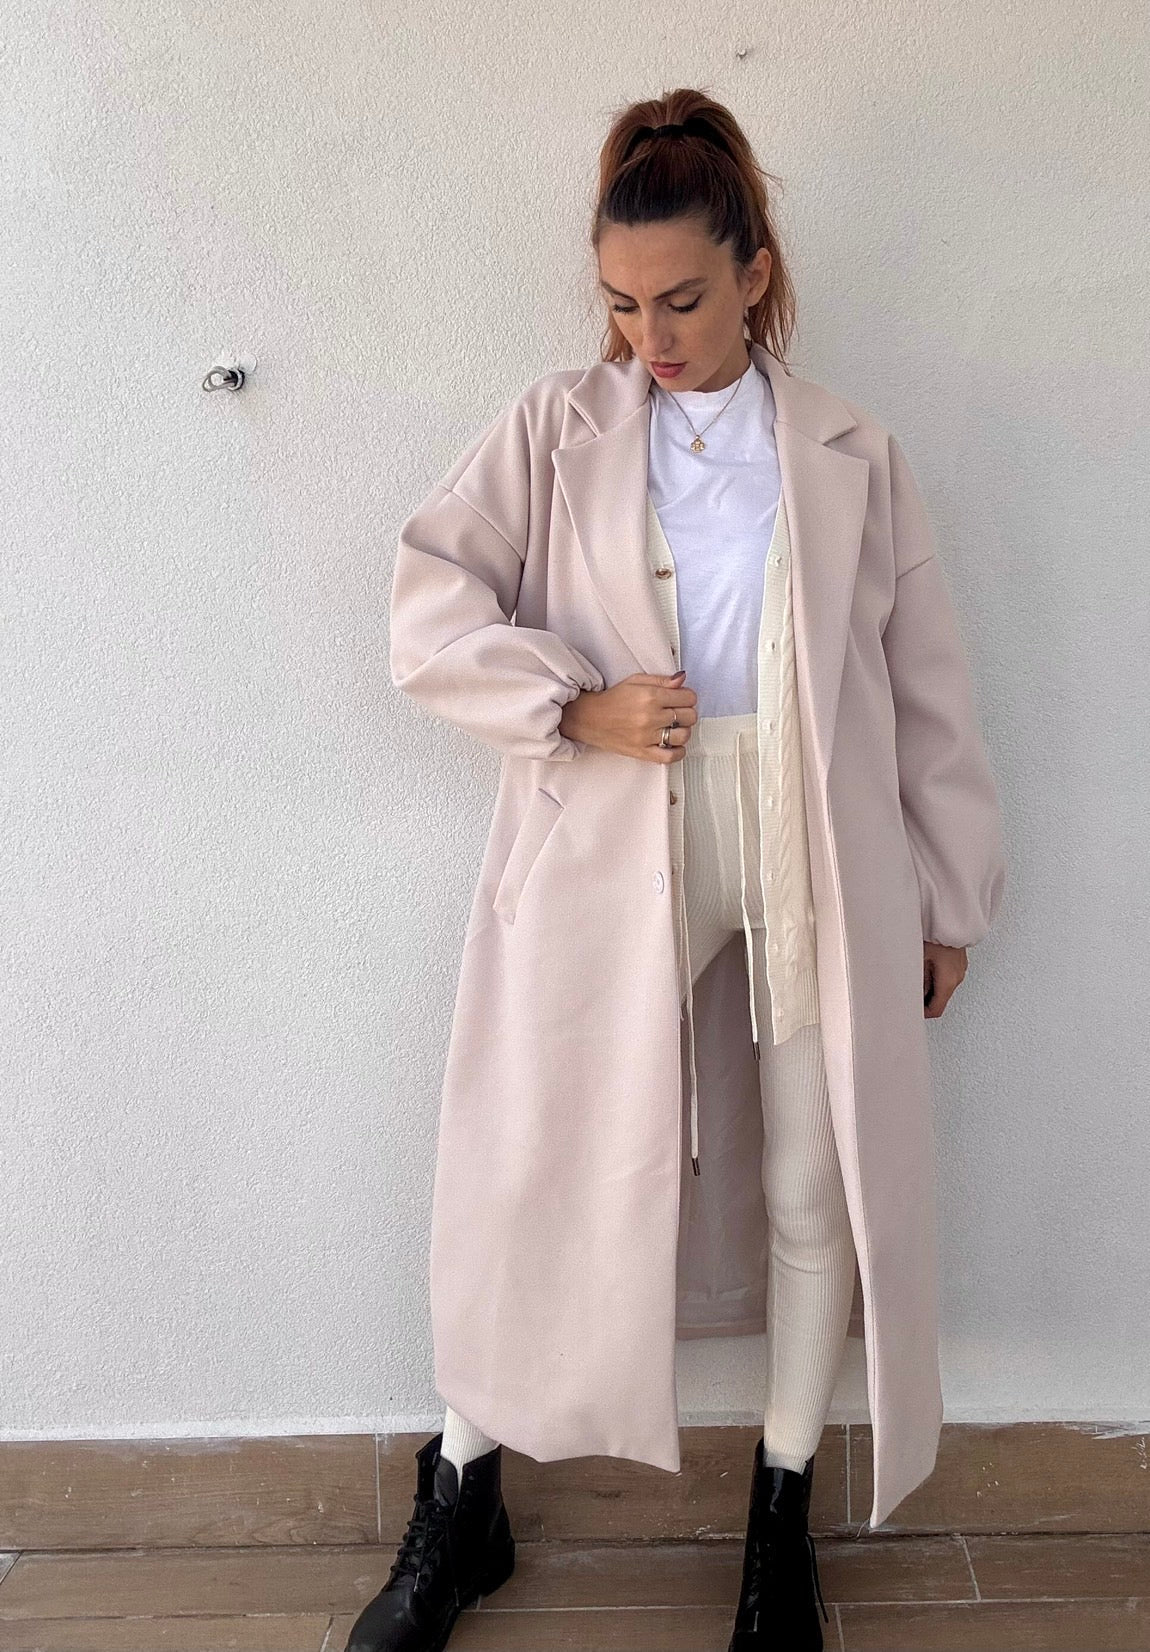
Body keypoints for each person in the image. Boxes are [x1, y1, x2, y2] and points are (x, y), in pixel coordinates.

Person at [346, 88, 1006, 1652]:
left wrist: (948, 894)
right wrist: (569, 703)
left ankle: (779, 1517)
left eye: (684, 300)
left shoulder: (848, 451)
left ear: (755, 274)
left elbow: (922, 684)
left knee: (809, 1178)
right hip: (610, 830)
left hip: (807, 833)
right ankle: (463, 1496)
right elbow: (428, 607)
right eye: (622, 304)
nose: (650, 336)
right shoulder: (551, 428)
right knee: (539, 1157)